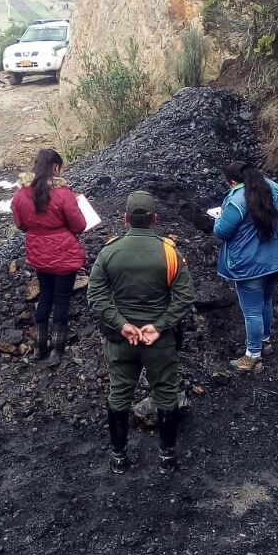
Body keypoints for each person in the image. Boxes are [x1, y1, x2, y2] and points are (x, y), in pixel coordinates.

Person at [86, 191, 195, 474]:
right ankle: (167, 458)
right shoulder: (170, 252)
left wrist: (122, 324)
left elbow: (96, 295)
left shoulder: (109, 252)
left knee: (119, 394)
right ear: (154, 219)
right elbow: (185, 297)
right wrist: (159, 326)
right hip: (159, 342)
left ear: (125, 218)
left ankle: (119, 458)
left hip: (121, 340)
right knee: (166, 394)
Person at [212, 161, 278, 372]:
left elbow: (222, 232)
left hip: (249, 265)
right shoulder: (274, 188)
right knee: (266, 301)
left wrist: (217, 218)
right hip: (276, 258)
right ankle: (265, 341)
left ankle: (252, 356)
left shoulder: (237, 200)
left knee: (252, 311)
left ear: (232, 182)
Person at [11, 148, 87, 363]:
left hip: (38, 254)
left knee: (45, 296)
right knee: (61, 300)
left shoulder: (21, 194)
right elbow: (79, 225)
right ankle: (58, 349)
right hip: (64, 254)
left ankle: (39, 346)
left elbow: (20, 224)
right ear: (55, 168)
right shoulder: (63, 194)